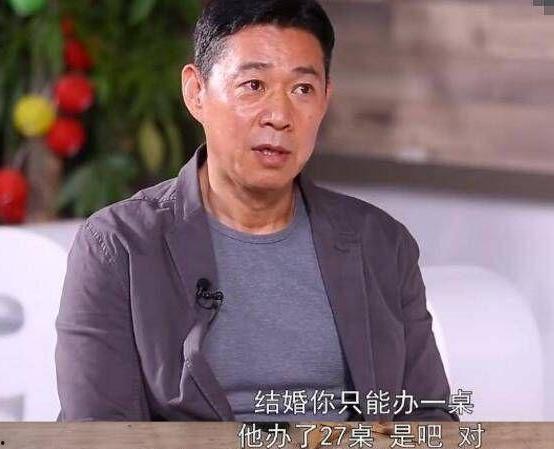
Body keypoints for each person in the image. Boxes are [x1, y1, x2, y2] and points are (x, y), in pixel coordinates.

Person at [55, 0, 457, 422]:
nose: (279, 116)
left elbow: (429, 419)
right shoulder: (119, 246)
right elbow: (98, 432)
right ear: (196, 92)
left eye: (302, 90)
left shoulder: (381, 244)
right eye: (253, 85)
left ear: (325, 100)